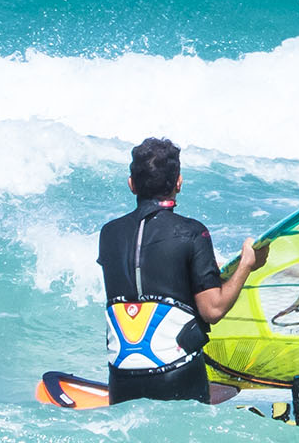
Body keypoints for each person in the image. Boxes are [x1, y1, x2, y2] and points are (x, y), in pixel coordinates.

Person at [98, 137, 260, 403]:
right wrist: (246, 265)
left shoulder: (109, 234)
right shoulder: (192, 232)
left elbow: (149, 279)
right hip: (175, 375)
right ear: (179, 183)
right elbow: (213, 309)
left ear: (132, 184)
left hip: (121, 378)